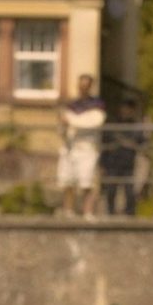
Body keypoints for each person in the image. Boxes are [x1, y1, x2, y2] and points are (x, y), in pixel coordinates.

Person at [56, 75, 105, 217]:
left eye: (86, 85)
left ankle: (87, 212)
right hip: (69, 148)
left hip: (87, 148)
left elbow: (93, 122)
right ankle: (68, 211)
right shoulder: (72, 105)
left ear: (90, 87)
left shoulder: (97, 105)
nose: (82, 88)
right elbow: (62, 129)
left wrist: (71, 120)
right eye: (80, 85)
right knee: (67, 181)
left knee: (86, 182)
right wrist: (63, 124)